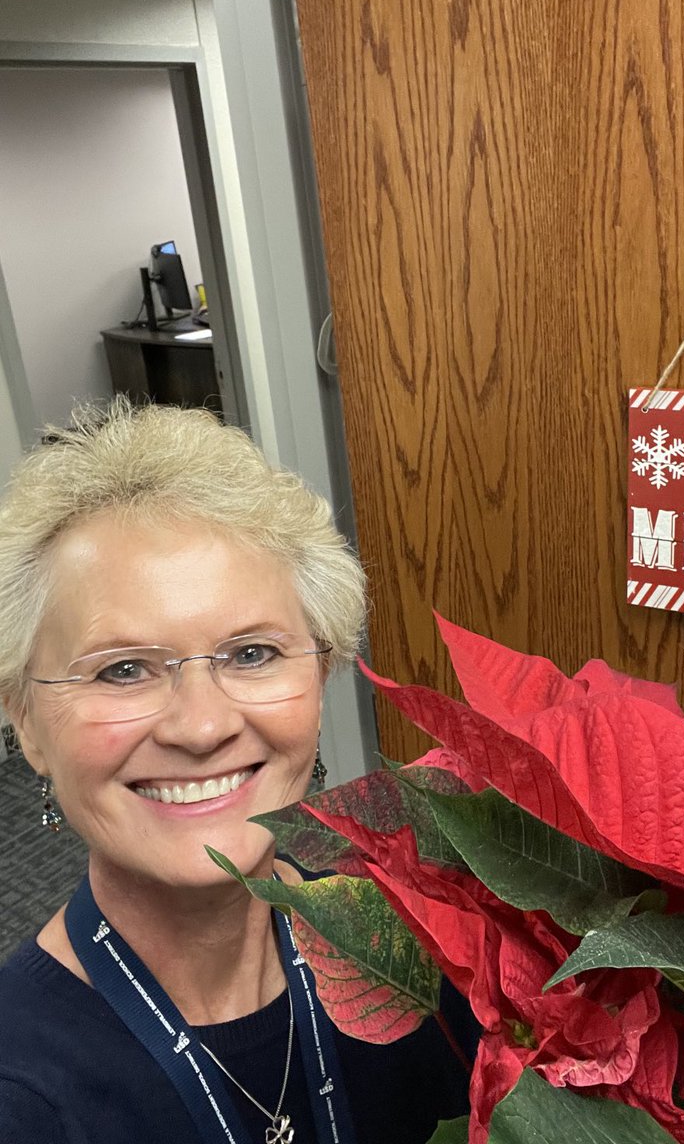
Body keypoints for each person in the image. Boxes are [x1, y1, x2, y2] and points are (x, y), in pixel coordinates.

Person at [0, 400, 474, 1144]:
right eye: (123, 670)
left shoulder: (437, 956)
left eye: (251, 653)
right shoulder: (21, 1096)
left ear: (323, 674)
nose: (203, 725)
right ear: (25, 720)